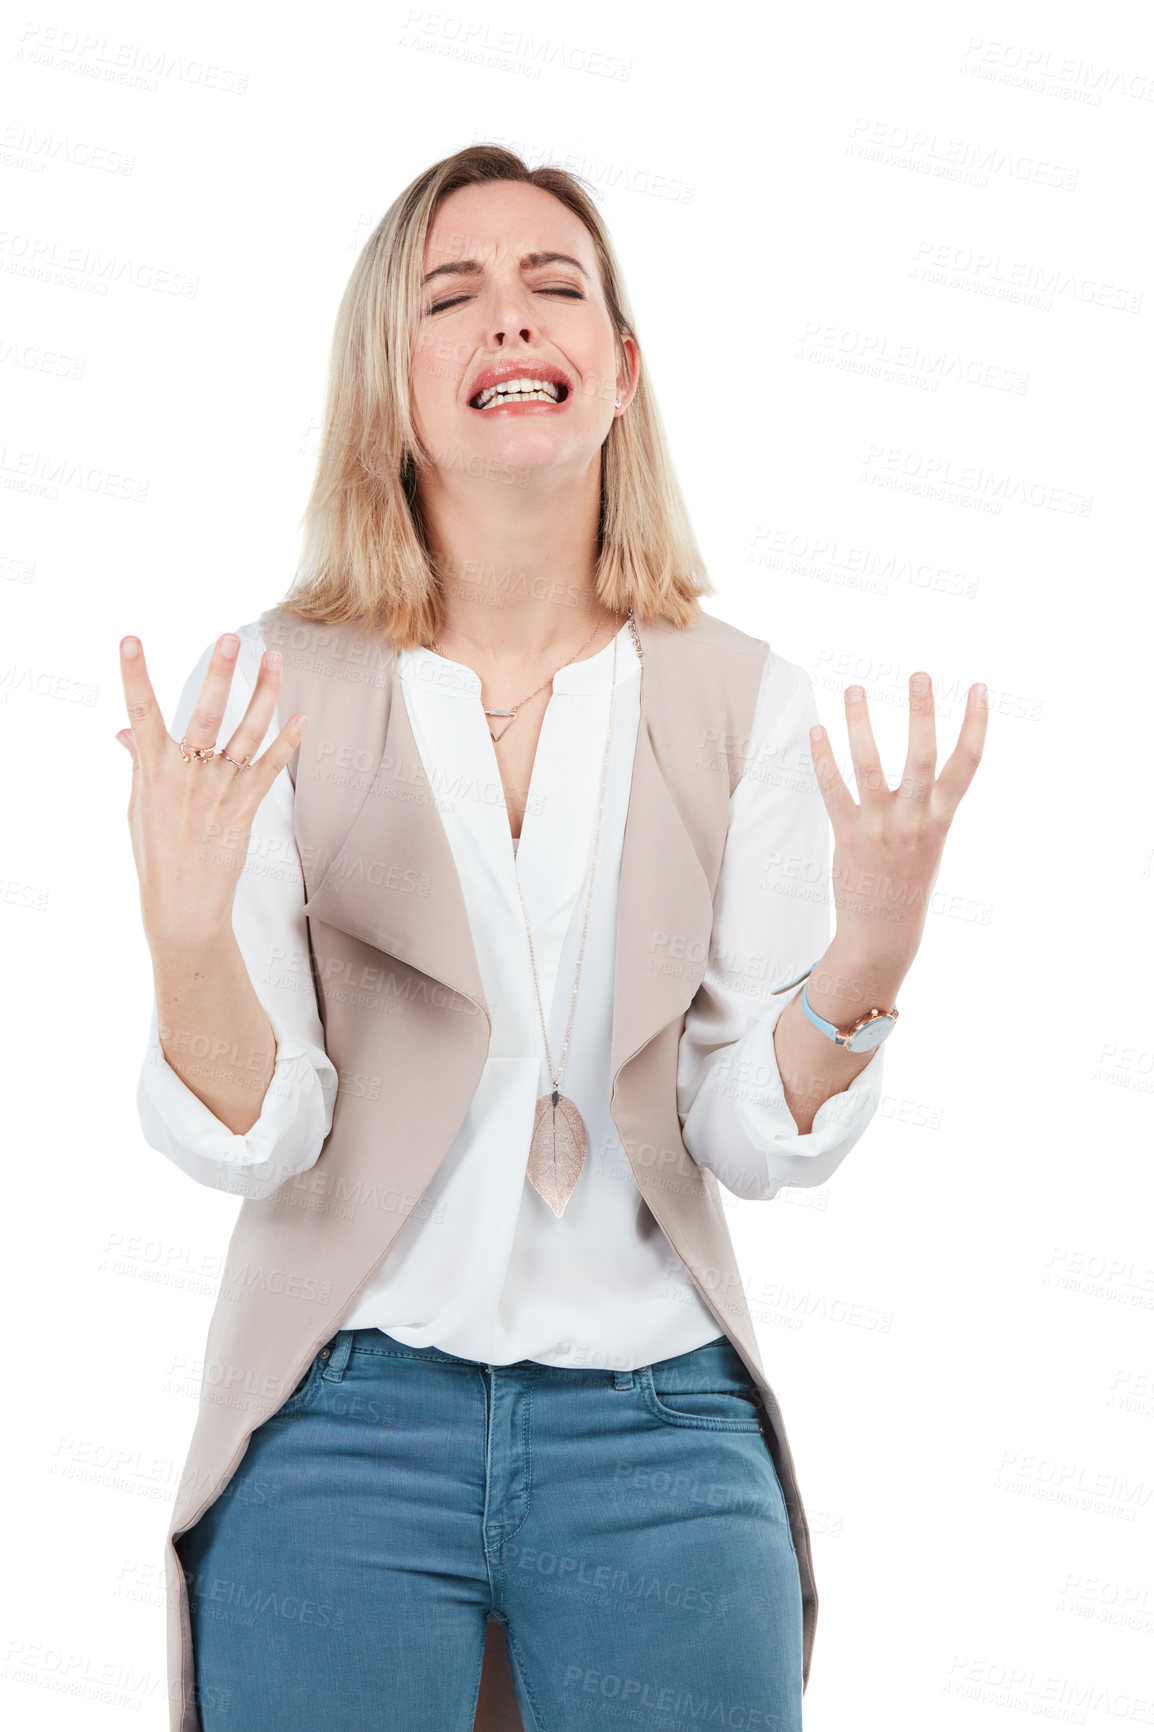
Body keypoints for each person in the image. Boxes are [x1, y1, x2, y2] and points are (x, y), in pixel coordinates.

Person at [117, 144, 987, 1732]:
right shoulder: (267, 691)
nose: (507, 322)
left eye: (553, 288)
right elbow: (263, 1134)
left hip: (658, 1438)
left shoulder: (739, 701)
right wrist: (185, 934)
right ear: (390, 382)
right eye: (450, 295)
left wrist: (869, 952)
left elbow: (746, 1129)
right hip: (341, 1419)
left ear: (618, 375)